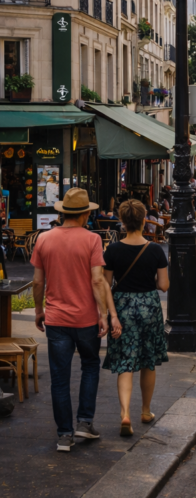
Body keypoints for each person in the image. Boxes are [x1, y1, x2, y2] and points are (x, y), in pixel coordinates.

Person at [31, 187, 121, 452]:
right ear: (84, 215)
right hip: (86, 319)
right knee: (90, 365)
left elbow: (37, 282)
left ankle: (64, 435)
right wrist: (103, 314)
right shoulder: (92, 240)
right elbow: (97, 280)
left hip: (56, 319)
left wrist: (38, 310)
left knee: (59, 378)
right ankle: (84, 422)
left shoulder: (44, 239)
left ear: (63, 213)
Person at [103, 199, 169, 436]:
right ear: (143, 221)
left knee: (126, 361)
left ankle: (125, 414)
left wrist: (110, 313)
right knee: (147, 360)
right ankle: (145, 410)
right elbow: (164, 285)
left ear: (122, 222)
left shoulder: (112, 250)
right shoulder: (155, 250)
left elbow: (105, 284)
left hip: (122, 307)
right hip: (149, 307)